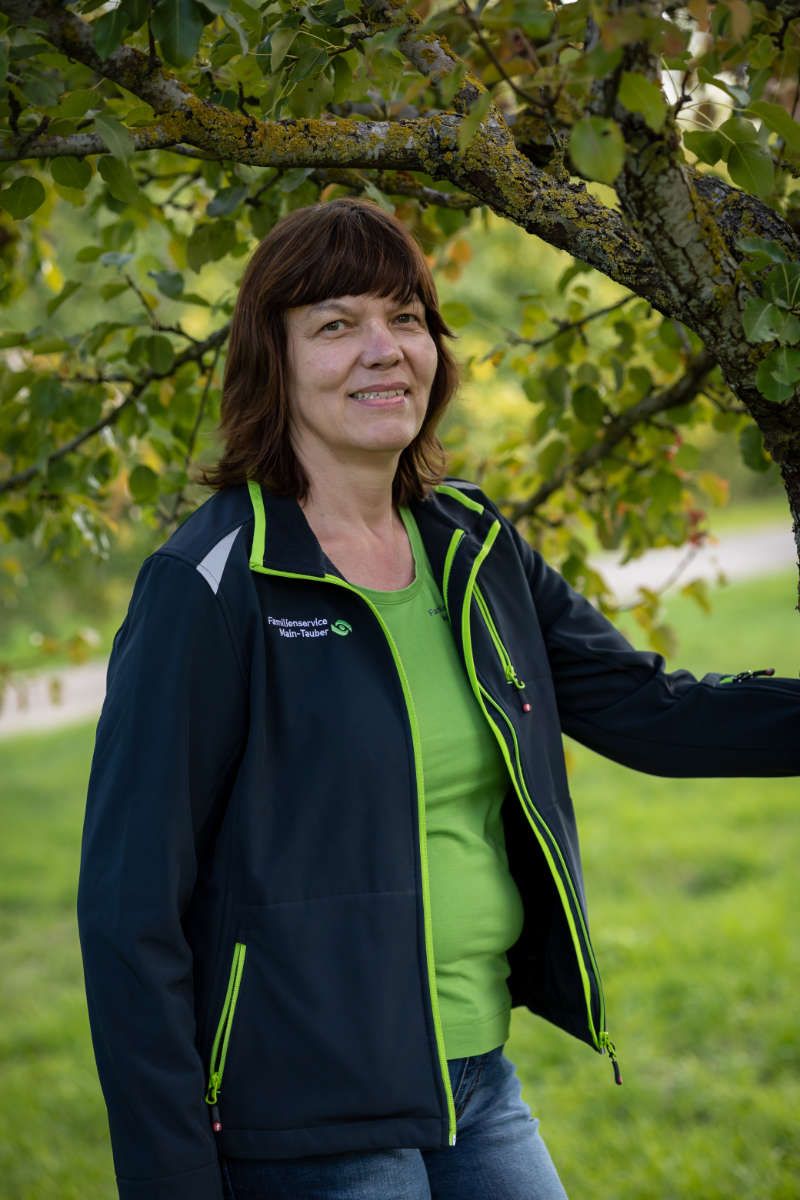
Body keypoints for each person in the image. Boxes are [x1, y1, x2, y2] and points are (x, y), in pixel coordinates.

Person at [77, 197, 800, 1200]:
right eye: (337, 324)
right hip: (302, 1110)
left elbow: (654, 711)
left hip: (474, 1079)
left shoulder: (472, 546)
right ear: (272, 361)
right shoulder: (212, 582)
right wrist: (171, 1172)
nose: (384, 349)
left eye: (405, 317)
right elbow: (128, 904)